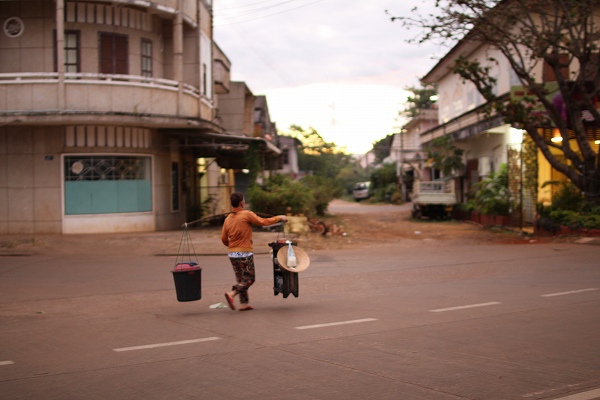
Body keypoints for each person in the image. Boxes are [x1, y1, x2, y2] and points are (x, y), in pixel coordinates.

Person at [221, 192, 287, 311]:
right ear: (242, 203)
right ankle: (232, 293)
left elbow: (224, 239)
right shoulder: (247, 214)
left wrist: (232, 246)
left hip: (232, 253)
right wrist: (279, 217)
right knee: (250, 278)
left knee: (241, 279)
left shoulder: (228, 219)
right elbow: (263, 222)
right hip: (245, 253)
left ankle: (244, 304)